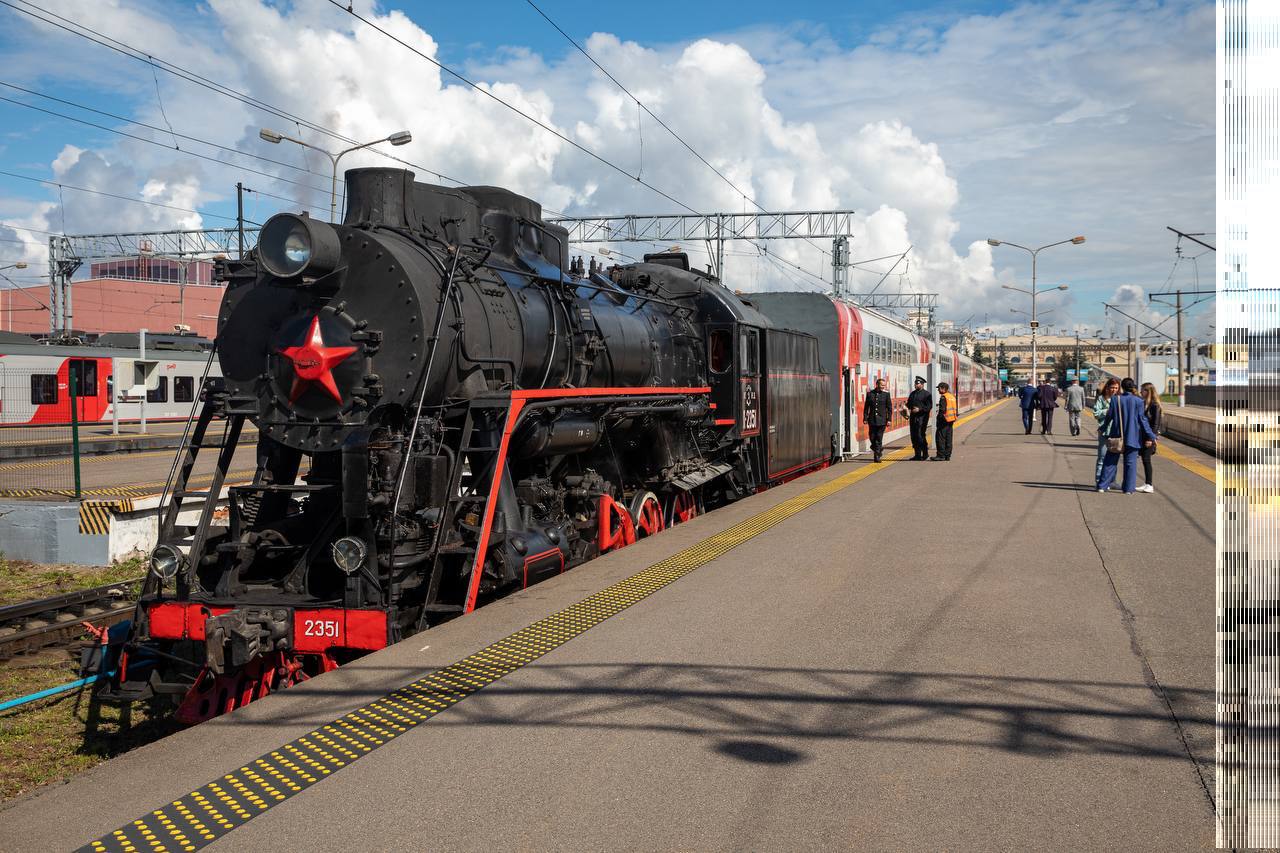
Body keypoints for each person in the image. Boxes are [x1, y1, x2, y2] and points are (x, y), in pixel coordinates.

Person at [1097, 378, 1157, 494]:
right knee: (1130, 464)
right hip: (1133, 437)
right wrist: (1151, 435)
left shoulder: (1115, 399)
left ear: (1122, 387)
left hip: (1116, 436)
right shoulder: (1139, 401)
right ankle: (1128, 489)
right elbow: (1142, 420)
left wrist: (1102, 428)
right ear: (1133, 387)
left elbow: (1109, 416)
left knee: (1110, 461)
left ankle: (1102, 486)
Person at [1093, 378, 1120, 488]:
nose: (1114, 390)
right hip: (1104, 432)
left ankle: (1111, 481)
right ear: (1107, 387)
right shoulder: (1101, 399)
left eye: (1116, 388)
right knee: (1102, 458)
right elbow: (1096, 413)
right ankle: (1099, 480)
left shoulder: (1119, 399)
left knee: (1114, 458)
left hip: (1116, 432)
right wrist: (1108, 410)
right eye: (1112, 387)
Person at [1137, 382, 1163, 493]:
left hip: (1149, 437)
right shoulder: (1144, 404)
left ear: (1148, 391)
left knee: (1147, 460)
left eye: (1142, 390)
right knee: (1144, 459)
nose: (1140, 392)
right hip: (1143, 436)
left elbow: (1155, 424)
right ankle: (1147, 483)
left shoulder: (1155, 405)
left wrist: (1150, 438)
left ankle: (1149, 484)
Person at [863, 376, 892, 463]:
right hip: (872, 420)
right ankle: (878, 449)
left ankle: (877, 456)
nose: (883, 387)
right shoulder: (870, 394)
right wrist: (865, 418)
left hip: (882, 420)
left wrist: (889, 419)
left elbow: (889, 408)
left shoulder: (886, 394)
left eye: (884, 385)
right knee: (872, 437)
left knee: (879, 437)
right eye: (882, 385)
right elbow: (866, 408)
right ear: (877, 384)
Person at [906, 376, 932, 460]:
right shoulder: (912, 394)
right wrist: (905, 407)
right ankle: (917, 454)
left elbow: (929, 407)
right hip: (913, 418)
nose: (915, 385)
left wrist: (919, 409)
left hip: (922, 418)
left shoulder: (927, 394)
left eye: (917, 383)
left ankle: (925, 454)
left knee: (920, 435)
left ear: (922, 384)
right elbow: (909, 404)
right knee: (914, 436)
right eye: (915, 383)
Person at [932, 381, 957, 461]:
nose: (938, 390)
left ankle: (940, 455)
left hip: (944, 421)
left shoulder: (943, 397)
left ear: (943, 389)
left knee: (940, 438)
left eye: (939, 388)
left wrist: (938, 419)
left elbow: (942, 410)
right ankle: (947, 455)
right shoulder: (951, 396)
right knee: (948, 438)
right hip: (951, 420)